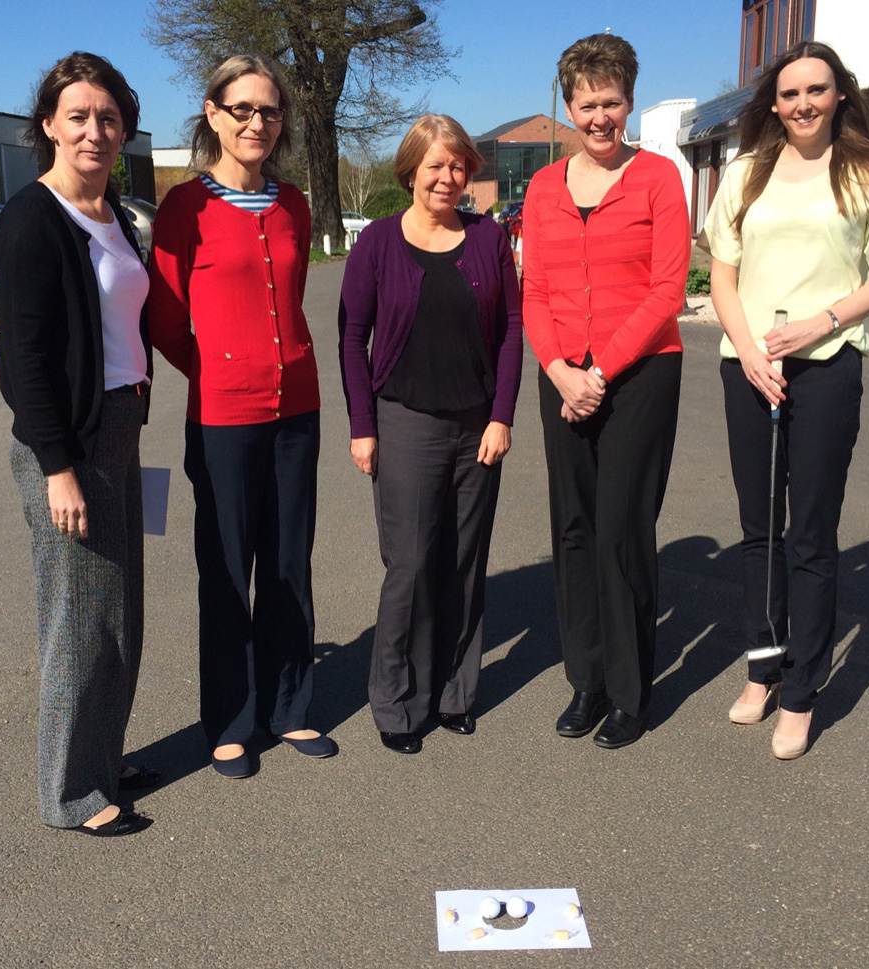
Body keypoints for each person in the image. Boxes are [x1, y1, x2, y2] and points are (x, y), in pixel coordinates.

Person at [148, 54, 336, 778]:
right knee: (228, 566)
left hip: (298, 408)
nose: (258, 122)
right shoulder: (182, 207)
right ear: (213, 113)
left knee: (289, 561)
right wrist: (219, 371)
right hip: (223, 415)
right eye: (243, 109)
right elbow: (165, 319)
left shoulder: (292, 204)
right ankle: (229, 716)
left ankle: (289, 707)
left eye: (270, 111)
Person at [702, 42, 869, 759]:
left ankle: (802, 690)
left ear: (838, 93)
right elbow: (722, 273)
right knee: (759, 530)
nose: (802, 103)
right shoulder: (745, 171)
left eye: (816, 89)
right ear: (771, 103)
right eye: (788, 93)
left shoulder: (868, 169)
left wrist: (825, 319)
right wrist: (747, 349)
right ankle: (762, 666)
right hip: (747, 366)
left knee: (808, 535)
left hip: (826, 366)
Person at [0, 52, 154, 836]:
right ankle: (69, 793)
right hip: (67, 444)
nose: (96, 130)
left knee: (120, 611)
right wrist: (57, 467)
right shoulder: (32, 218)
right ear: (50, 125)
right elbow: (21, 359)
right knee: (77, 617)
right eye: (79, 115)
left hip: (119, 428)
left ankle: (103, 758)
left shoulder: (115, 214)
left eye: (109, 116)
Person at [521, 34, 690, 749]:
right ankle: (584, 679)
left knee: (621, 529)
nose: (599, 117)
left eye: (611, 102)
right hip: (562, 374)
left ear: (628, 102)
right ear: (567, 107)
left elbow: (667, 289)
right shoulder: (541, 187)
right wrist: (559, 368)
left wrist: (597, 372)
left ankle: (628, 690)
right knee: (573, 527)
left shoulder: (656, 178)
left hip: (640, 373)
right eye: (586, 103)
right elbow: (532, 291)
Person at [338, 114, 523, 754]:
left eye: (457, 165)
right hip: (405, 421)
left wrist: (502, 415)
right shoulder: (379, 244)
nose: (446, 177)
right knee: (411, 565)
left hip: (477, 426)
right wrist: (363, 426)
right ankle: (396, 702)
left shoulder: (488, 239)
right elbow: (350, 337)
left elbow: (511, 331)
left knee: (463, 564)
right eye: (434, 165)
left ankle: (454, 694)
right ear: (410, 170)